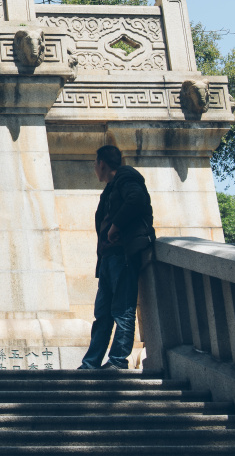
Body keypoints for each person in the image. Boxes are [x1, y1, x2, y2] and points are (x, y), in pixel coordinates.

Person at [79, 146, 155, 370]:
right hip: (109, 258)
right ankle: (91, 362)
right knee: (102, 314)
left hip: (123, 254)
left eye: (95, 163)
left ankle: (118, 360)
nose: (95, 168)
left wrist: (116, 226)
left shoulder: (127, 178)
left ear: (101, 163)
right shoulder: (112, 187)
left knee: (122, 310)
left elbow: (137, 200)